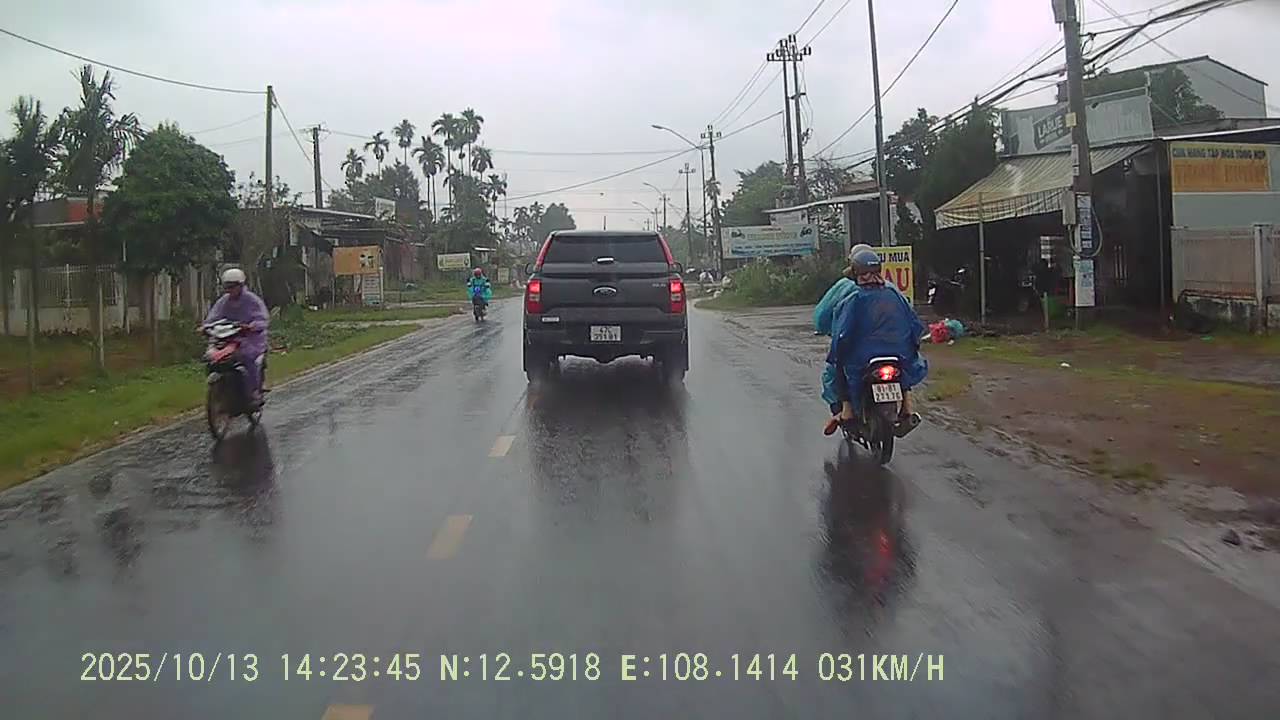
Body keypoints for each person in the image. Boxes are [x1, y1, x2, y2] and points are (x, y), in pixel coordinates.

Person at [824, 249, 927, 437]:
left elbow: (842, 333)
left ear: (856, 272)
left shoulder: (853, 299)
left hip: (863, 358)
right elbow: (914, 324)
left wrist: (836, 352)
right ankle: (907, 407)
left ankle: (847, 410)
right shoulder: (895, 294)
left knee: (839, 366)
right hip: (898, 353)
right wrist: (912, 345)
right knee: (905, 367)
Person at [815, 244, 874, 415]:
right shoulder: (889, 288)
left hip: (856, 348)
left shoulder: (846, 288)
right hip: (890, 346)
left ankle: (842, 412)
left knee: (835, 371)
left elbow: (822, 316)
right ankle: (907, 406)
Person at [202, 268, 269, 404]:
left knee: (248, 358)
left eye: (233, 286)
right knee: (212, 357)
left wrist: (251, 326)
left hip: (250, 339)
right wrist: (205, 327)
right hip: (227, 339)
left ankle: (253, 391)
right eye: (227, 287)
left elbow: (262, 319)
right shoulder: (223, 301)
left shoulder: (252, 300)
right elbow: (213, 317)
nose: (230, 290)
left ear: (241, 285)